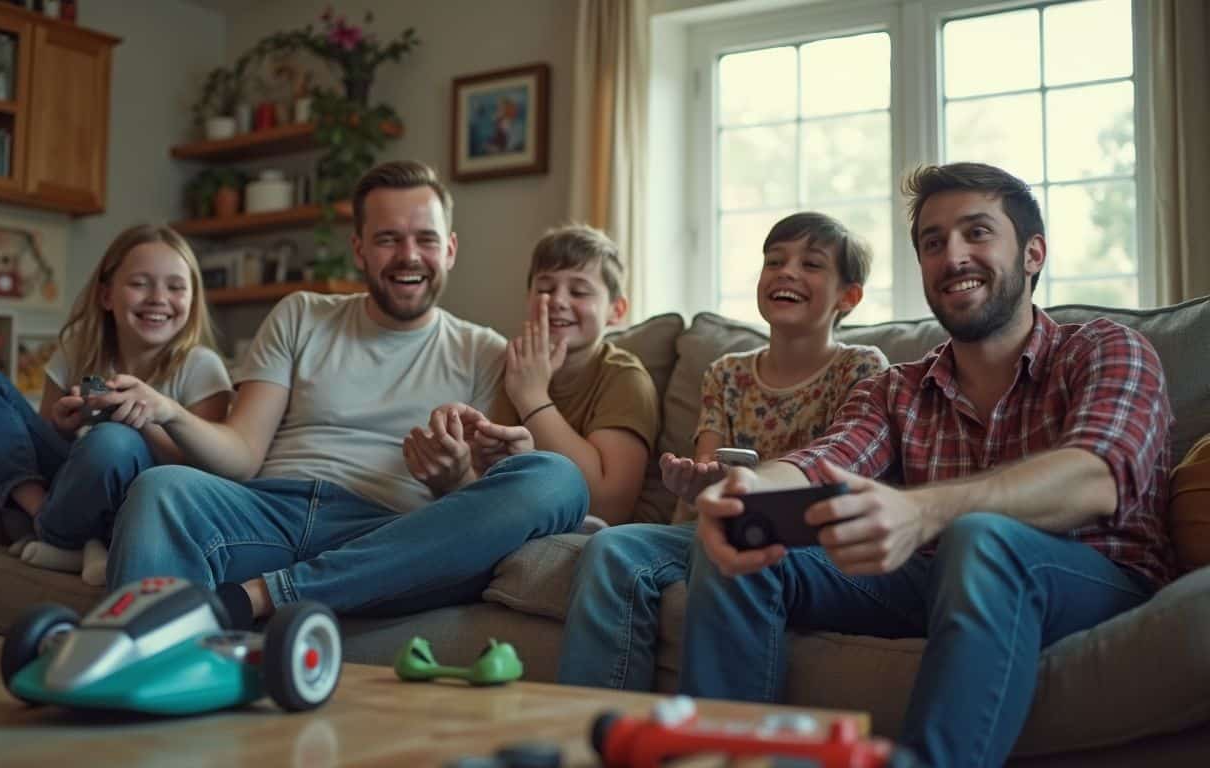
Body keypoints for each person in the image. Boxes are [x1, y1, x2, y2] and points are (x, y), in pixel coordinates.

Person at [683, 163, 1175, 768]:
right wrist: (747, 492)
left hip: (1096, 577)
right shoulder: (896, 388)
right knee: (745, 534)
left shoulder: (1107, 348)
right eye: (933, 242)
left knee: (981, 535)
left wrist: (924, 510)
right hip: (936, 577)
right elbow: (824, 462)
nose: (954, 256)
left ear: (1032, 253)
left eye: (977, 233)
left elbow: (1097, 475)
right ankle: (723, 758)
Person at [102, 161, 588, 626]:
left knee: (556, 478)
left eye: (426, 239)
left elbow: (469, 509)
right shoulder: (301, 315)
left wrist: (455, 475)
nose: (409, 255)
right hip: (270, 513)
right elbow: (243, 454)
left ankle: (267, 596)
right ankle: (136, 673)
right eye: (387, 239)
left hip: (387, 537)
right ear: (359, 249)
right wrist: (167, 412)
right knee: (160, 488)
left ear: (451, 250)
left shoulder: (485, 351)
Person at [557, 211, 887, 690]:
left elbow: (846, 469)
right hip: (704, 526)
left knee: (740, 539)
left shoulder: (860, 367)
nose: (787, 271)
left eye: (811, 264)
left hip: (804, 537)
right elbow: (708, 465)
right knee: (610, 547)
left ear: (848, 296)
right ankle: (596, 730)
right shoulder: (726, 372)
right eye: (774, 261)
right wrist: (694, 481)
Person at [0, 224, 232, 585]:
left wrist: (142, 421)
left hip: (135, 496)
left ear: (192, 302)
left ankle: (63, 539)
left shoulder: (202, 367)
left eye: (176, 287)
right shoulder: (77, 350)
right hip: (67, 485)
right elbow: (35, 444)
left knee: (115, 440)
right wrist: (63, 425)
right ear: (107, 296)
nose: (159, 297)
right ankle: (47, 521)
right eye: (140, 283)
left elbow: (202, 470)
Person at [486, 225, 659, 527]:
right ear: (529, 299)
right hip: (520, 508)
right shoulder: (517, 365)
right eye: (545, 289)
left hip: (598, 528)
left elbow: (609, 504)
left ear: (616, 311)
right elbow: (494, 477)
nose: (558, 300)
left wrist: (532, 397)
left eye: (579, 291)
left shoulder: (625, 377)